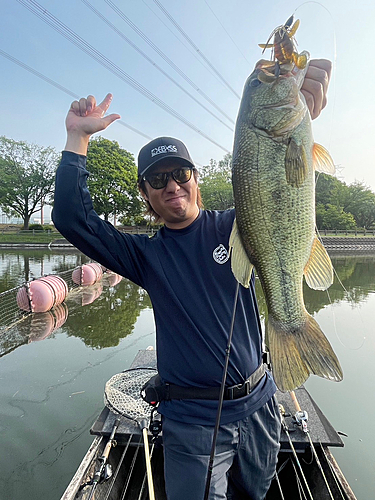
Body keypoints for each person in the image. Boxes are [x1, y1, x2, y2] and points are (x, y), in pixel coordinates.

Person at [53, 59, 332, 500]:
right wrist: (77, 137)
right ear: (146, 195)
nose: (172, 186)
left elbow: (281, 188)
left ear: (196, 179)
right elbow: (72, 218)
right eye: (157, 180)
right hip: (191, 422)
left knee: (255, 493)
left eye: (180, 173)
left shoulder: (236, 225)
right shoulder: (144, 255)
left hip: (260, 404)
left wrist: (298, 120)